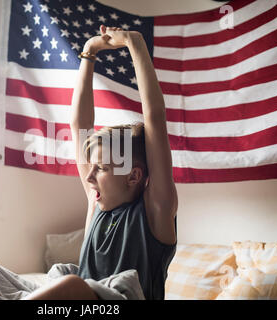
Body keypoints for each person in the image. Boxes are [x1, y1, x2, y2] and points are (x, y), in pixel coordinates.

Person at [24, 25, 178, 300]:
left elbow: (155, 117)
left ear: (133, 176)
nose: (89, 176)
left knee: (71, 285)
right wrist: (89, 52)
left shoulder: (155, 210)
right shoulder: (97, 202)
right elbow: (79, 124)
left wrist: (135, 42)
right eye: (92, 166)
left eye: (102, 169)